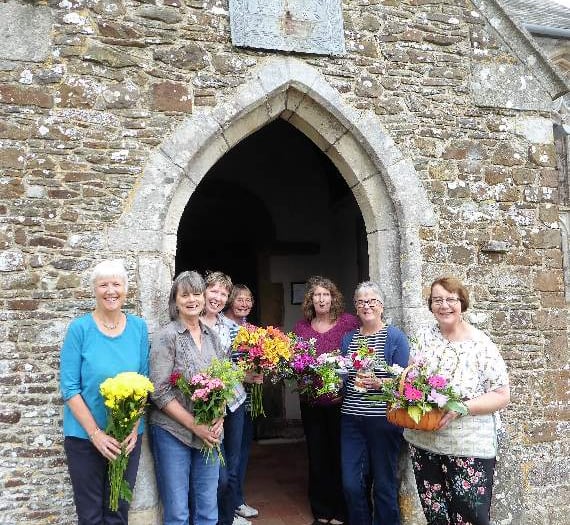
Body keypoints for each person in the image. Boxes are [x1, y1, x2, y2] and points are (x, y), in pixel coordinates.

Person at [404, 277, 510, 525]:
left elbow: (502, 395)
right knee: (436, 514)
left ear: (462, 303)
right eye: (437, 300)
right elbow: (411, 379)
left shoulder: (481, 345)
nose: (444, 306)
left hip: (468, 445)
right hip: (425, 441)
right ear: (430, 305)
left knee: (470, 517)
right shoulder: (423, 337)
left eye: (451, 299)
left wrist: (463, 407)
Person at [60, 259, 150, 524]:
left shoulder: (138, 328)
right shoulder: (80, 329)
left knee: (119, 512)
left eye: (116, 284)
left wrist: (133, 428)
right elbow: (70, 388)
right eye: (104, 285)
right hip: (85, 439)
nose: (111, 290)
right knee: (90, 516)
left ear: (125, 289)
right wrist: (96, 434)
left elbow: (144, 382)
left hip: (126, 439)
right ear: (94, 289)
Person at [149, 271, 226, 525]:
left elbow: (223, 382)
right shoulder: (166, 337)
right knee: (178, 512)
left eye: (196, 294)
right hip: (173, 433)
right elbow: (159, 392)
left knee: (207, 508)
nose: (192, 300)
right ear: (176, 300)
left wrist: (220, 417)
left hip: (210, 434)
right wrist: (195, 425)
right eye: (185, 295)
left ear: (204, 298)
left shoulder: (213, 337)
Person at [340, 281, 409, 525]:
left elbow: (406, 383)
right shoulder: (348, 339)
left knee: (384, 483)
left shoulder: (395, 337)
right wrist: (331, 376)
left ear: (381, 306)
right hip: (351, 419)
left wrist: (380, 383)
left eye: (372, 301)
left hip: (384, 420)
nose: (366, 306)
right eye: (361, 302)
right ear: (356, 308)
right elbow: (344, 376)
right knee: (351, 483)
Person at [293, 276, 360, 525]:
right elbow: (295, 362)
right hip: (311, 403)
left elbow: (359, 357)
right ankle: (321, 509)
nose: (321, 299)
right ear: (310, 300)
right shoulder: (302, 327)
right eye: (316, 295)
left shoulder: (349, 324)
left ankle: (341, 511)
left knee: (340, 455)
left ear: (333, 298)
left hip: (341, 403)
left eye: (325, 294)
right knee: (317, 455)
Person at [199, 272, 248, 525]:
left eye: (223, 293)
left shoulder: (229, 327)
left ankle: (226, 519)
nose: (217, 297)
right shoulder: (192, 323)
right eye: (213, 291)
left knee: (234, 464)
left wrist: (250, 373)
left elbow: (236, 362)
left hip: (234, 401)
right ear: (203, 291)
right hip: (206, 405)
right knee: (217, 473)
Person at [223, 284, 262, 522]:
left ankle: (237, 500)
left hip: (247, 400)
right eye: (240, 299)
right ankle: (230, 505)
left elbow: (258, 360)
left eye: (248, 300)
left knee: (243, 451)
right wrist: (244, 375)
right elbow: (220, 363)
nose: (244, 304)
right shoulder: (221, 326)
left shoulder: (251, 329)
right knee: (232, 454)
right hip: (230, 398)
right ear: (230, 301)